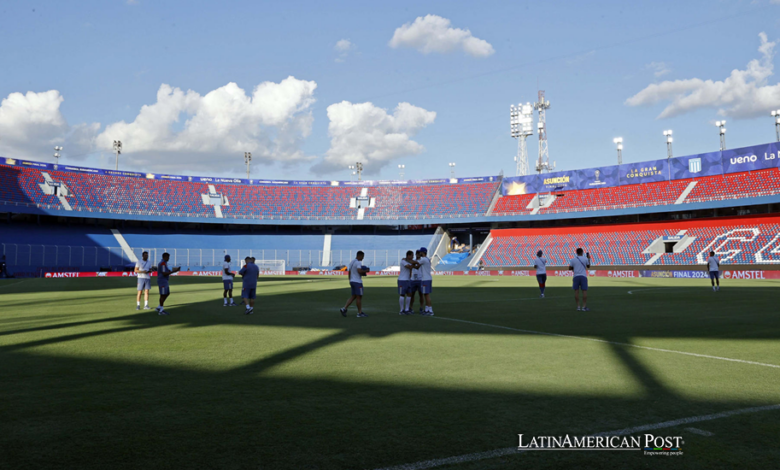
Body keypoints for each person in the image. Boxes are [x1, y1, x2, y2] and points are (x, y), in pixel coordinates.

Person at [340, 251, 369, 318]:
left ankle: (344, 309)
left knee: (353, 296)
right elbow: (359, 271)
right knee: (359, 297)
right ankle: (359, 313)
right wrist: (366, 271)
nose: (363, 258)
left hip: (352, 281)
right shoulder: (358, 262)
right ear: (360, 256)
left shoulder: (352, 262)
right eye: (362, 257)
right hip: (357, 282)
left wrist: (350, 280)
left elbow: (349, 272)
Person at [418, 247, 434, 316]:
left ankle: (430, 310)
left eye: (420, 252)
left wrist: (407, 260)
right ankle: (427, 309)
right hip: (428, 278)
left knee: (426, 295)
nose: (419, 253)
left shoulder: (423, 259)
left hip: (425, 279)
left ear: (423, 252)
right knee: (425, 294)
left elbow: (416, 262)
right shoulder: (427, 259)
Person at [398, 251, 416, 315]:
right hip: (402, 280)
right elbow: (410, 267)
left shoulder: (408, 261)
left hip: (408, 280)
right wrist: (414, 263)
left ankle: (407, 309)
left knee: (409, 294)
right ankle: (401, 310)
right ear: (408, 255)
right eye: (412, 255)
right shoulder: (403, 261)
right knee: (402, 294)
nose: (412, 257)